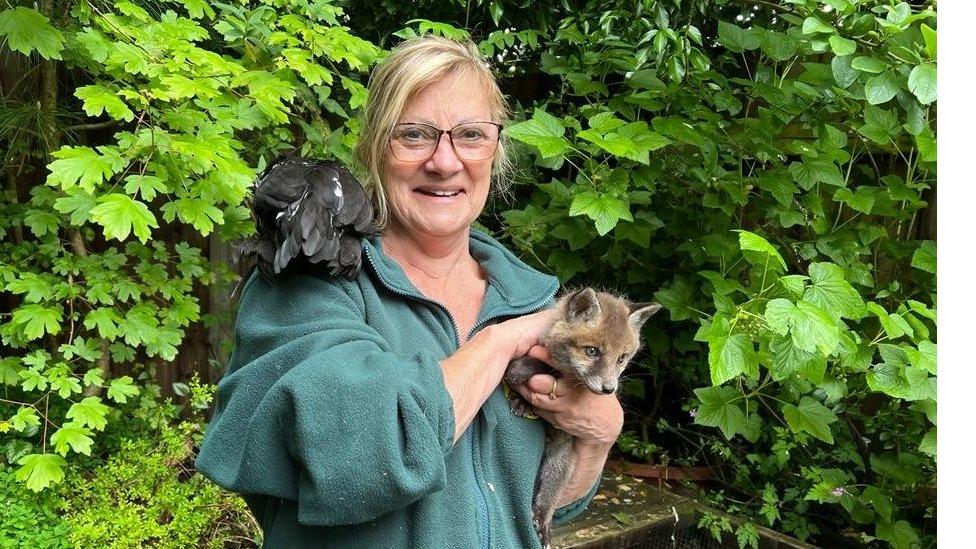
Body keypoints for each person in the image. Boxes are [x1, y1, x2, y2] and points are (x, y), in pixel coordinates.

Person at [195, 36, 624, 548]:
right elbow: (368, 454)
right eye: (415, 135)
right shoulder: (314, 288)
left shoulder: (529, 298)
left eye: (470, 135)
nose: (444, 162)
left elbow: (537, 511)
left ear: (496, 151)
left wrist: (596, 440)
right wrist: (500, 344)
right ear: (374, 148)